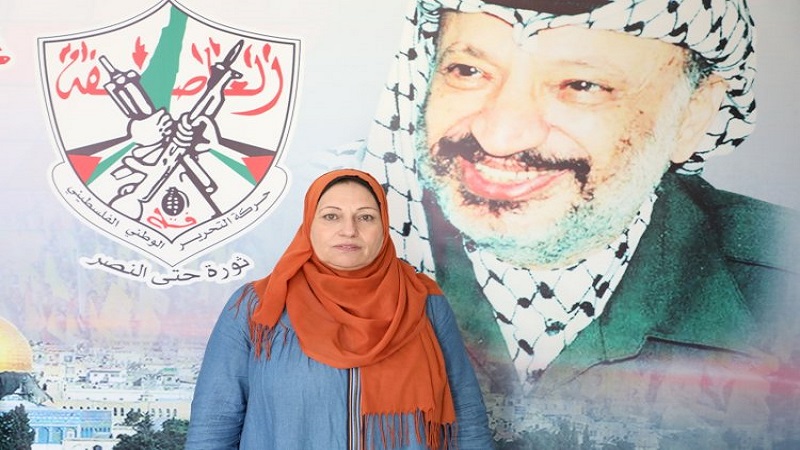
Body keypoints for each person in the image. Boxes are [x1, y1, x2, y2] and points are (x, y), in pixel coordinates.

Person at [318, 0, 800, 447]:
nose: (499, 136)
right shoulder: (340, 267)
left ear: (692, 115)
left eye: (581, 86)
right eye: (468, 71)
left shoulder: (782, 281)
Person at [185, 168, 493, 449]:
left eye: (366, 217)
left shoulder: (424, 301)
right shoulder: (257, 306)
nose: (349, 230)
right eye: (331, 216)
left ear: (383, 226)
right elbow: (214, 424)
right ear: (309, 224)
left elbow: (467, 418)